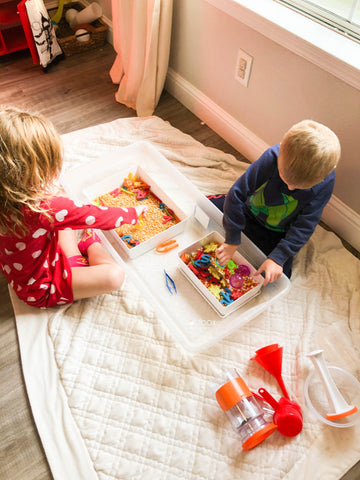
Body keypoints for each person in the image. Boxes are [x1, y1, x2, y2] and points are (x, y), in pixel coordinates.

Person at [0, 107, 147, 308]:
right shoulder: (43, 209)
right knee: (114, 276)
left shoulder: (19, 201)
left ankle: (75, 259)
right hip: (41, 288)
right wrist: (132, 213)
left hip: (34, 264)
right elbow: (94, 216)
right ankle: (90, 246)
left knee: (61, 210)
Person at [210, 120, 341, 286]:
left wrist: (277, 258)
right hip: (247, 211)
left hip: (276, 232)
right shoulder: (272, 156)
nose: (290, 187)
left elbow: (305, 225)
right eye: (284, 178)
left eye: (300, 187)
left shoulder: (326, 183)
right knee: (205, 207)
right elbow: (237, 194)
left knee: (276, 276)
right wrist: (232, 239)